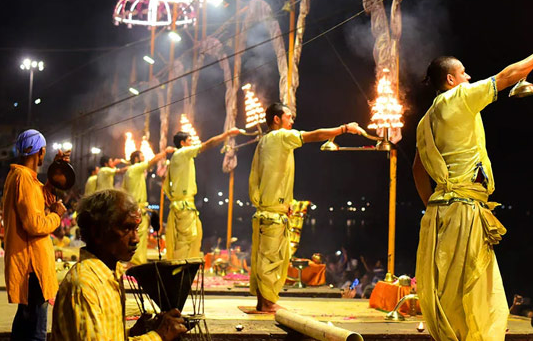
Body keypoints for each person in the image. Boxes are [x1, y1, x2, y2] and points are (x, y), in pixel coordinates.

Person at [412, 48, 533, 341]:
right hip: (463, 211)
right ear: (451, 78)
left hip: (443, 212)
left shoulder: (426, 120)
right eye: (464, 73)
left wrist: (433, 205)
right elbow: (507, 77)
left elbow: (418, 170)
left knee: (454, 290)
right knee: (477, 290)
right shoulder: (459, 97)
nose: (468, 77)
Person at [248, 102, 362, 312]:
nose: (292, 121)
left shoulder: (264, 142)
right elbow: (315, 135)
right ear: (277, 119)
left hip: (270, 211)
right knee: (271, 261)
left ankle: (264, 302)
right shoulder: (279, 137)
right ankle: (267, 303)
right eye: (289, 117)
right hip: (272, 214)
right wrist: (344, 129)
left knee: (266, 259)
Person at [51, 189, 187, 341]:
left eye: (136, 229)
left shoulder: (111, 274)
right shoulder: (85, 285)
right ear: (97, 232)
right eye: (126, 228)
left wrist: (132, 333)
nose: (135, 239)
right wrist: (158, 336)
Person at [2, 129, 68, 341]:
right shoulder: (24, 179)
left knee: (23, 325)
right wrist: (56, 216)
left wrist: (57, 169)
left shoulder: (21, 177)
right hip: (33, 268)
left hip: (30, 266)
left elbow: (42, 197)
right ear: (41, 151)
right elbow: (34, 224)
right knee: (36, 333)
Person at [163, 127, 242, 259]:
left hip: (185, 204)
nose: (192, 142)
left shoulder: (179, 155)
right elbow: (208, 144)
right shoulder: (182, 153)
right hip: (183, 206)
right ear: (182, 143)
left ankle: (182, 269)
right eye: (189, 140)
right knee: (186, 239)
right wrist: (227, 134)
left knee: (191, 237)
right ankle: (179, 270)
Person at [123, 147, 174, 265]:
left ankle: (133, 262)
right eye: (141, 157)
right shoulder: (136, 168)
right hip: (137, 208)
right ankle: (136, 263)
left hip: (130, 207)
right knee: (138, 236)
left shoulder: (128, 171)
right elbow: (153, 161)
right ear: (136, 159)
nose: (144, 159)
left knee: (133, 235)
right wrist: (165, 152)